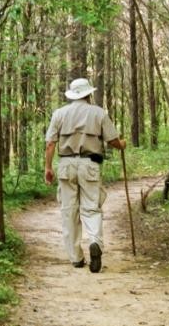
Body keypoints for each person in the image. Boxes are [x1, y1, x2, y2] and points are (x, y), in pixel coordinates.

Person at [44, 78, 126, 273]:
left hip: (66, 164)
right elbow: (113, 140)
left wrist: (48, 168)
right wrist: (121, 145)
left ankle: (76, 257)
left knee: (69, 211)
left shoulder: (59, 114)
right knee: (91, 208)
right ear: (88, 94)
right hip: (90, 164)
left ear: (72, 95)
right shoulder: (99, 113)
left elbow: (50, 144)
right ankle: (95, 242)